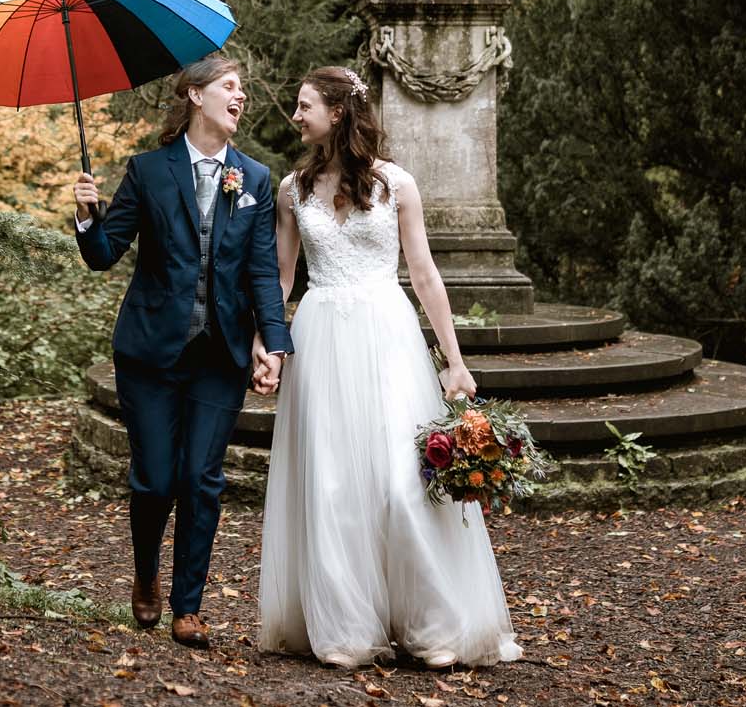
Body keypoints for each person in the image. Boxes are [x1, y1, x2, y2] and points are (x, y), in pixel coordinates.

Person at [257, 65, 521, 669]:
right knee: (332, 486)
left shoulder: (396, 184)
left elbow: (424, 274)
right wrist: (264, 342)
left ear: (338, 113)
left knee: (404, 488)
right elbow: (282, 277)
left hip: (387, 336)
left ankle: (436, 626)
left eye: (304, 107)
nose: (295, 116)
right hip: (320, 335)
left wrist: (454, 362)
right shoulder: (292, 190)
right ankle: (344, 627)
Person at [71, 53, 294, 649]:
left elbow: (263, 271)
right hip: (150, 354)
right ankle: (144, 574)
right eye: (230, 86)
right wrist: (87, 215)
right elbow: (102, 255)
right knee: (153, 480)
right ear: (196, 96)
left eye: (242, 89)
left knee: (202, 478)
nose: (240, 96)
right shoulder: (148, 171)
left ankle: (187, 606)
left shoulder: (254, 177)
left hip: (220, 355)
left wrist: (274, 342)